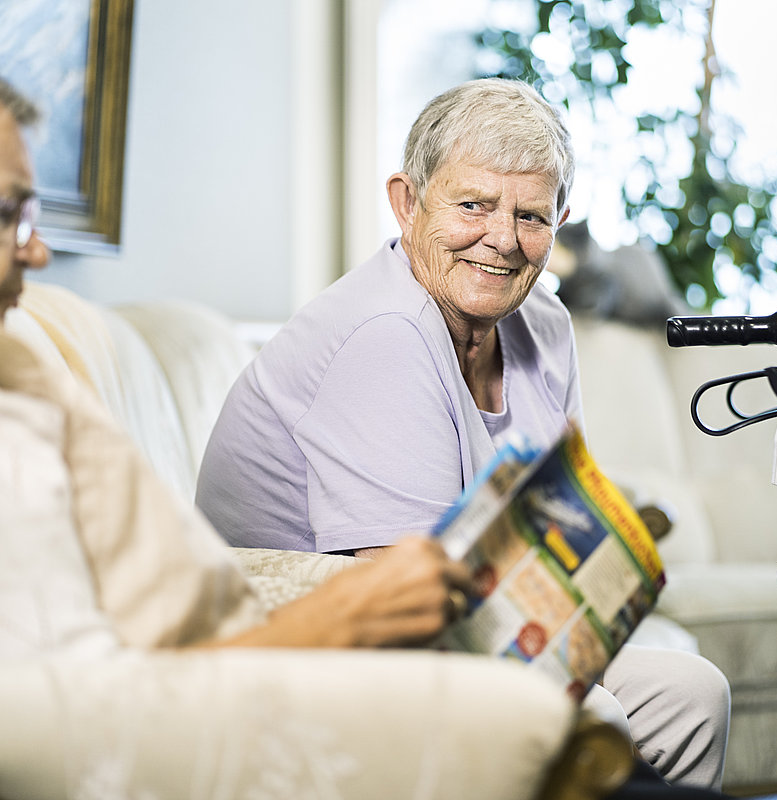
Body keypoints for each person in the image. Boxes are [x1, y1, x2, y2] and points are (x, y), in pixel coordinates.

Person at [0, 36, 732, 800]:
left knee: (678, 699)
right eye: (8, 211)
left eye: (533, 214)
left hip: (257, 659)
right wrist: (344, 611)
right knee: (591, 738)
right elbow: (64, 715)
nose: (39, 245)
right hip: (270, 696)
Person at [197, 78, 731, 789]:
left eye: (532, 215)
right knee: (592, 715)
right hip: (321, 649)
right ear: (408, 203)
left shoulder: (545, 325)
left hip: (477, 620)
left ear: (561, 219)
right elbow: (410, 609)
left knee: (694, 697)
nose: (503, 241)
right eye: (473, 205)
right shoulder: (384, 333)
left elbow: (544, 529)